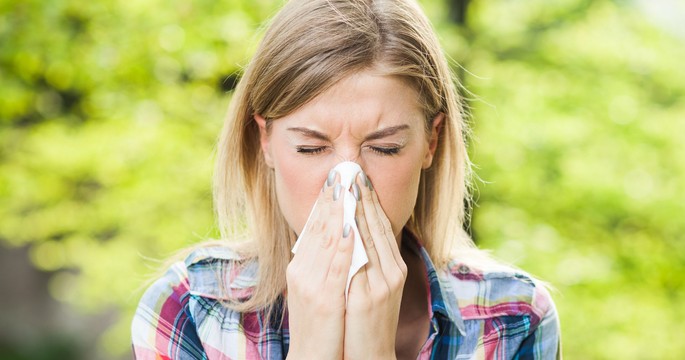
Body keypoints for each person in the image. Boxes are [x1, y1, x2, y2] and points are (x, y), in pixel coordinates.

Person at [131, 0, 561, 358]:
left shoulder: (513, 319)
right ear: (265, 141)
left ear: (432, 142)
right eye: (311, 148)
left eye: (385, 147)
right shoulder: (189, 309)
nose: (349, 186)